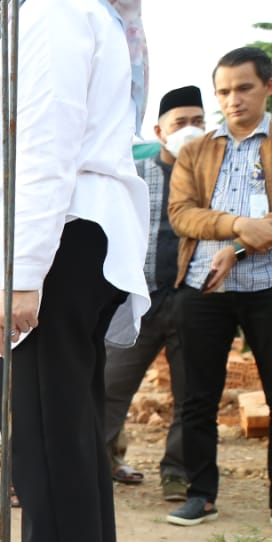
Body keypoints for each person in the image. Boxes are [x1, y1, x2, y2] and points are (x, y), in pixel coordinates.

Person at [0, 0, 150, 542]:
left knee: (45, 427)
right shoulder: (75, 10)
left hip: (59, 239)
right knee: (67, 423)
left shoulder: (48, 11)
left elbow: (44, 144)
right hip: (74, 237)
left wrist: (22, 273)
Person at [166, 46, 272, 527]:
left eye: (244, 88)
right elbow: (181, 215)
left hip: (267, 286)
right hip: (203, 287)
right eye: (224, 92)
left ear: (267, 87)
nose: (234, 100)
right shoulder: (195, 150)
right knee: (196, 397)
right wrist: (235, 226)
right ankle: (200, 493)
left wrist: (245, 246)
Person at [103, 85, 206, 501]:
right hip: (138, 298)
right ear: (159, 130)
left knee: (189, 393)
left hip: (192, 297)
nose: (190, 130)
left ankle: (177, 473)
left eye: (198, 122)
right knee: (110, 385)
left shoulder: (210, 176)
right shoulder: (135, 174)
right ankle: (99, 459)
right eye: (180, 123)